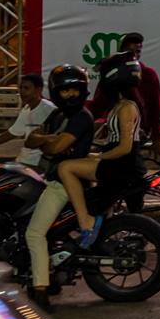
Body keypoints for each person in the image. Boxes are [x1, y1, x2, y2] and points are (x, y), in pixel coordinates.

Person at [22, 64, 96, 309]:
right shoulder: (58, 116)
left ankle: (41, 292)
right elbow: (31, 139)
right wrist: (47, 139)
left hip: (64, 184)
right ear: (56, 93)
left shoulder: (81, 117)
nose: (70, 95)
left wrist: (47, 142)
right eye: (65, 91)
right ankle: (49, 275)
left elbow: (54, 148)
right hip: (51, 178)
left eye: (75, 90)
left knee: (34, 234)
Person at [58, 55, 143, 249]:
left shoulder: (126, 108)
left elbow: (124, 147)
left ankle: (85, 221)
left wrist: (99, 156)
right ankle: (100, 227)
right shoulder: (119, 106)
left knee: (65, 168)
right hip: (118, 162)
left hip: (122, 165)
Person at [88, 32, 160, 160]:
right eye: (130, 51)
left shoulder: (148, 75)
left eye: (137, 52)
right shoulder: (112, 75)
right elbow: (97, 107)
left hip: (131, 136)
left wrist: (157, 138)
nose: (134, 55)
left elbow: (156, 107)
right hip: (115, 133)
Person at [0, 74, 55, 163]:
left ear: (38, 90)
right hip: (24, 160)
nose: (22, 92)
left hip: (36, 163)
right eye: (21, 88)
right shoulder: (27, 108)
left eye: (26, 88)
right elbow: (12, 133)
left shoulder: (49, 110)